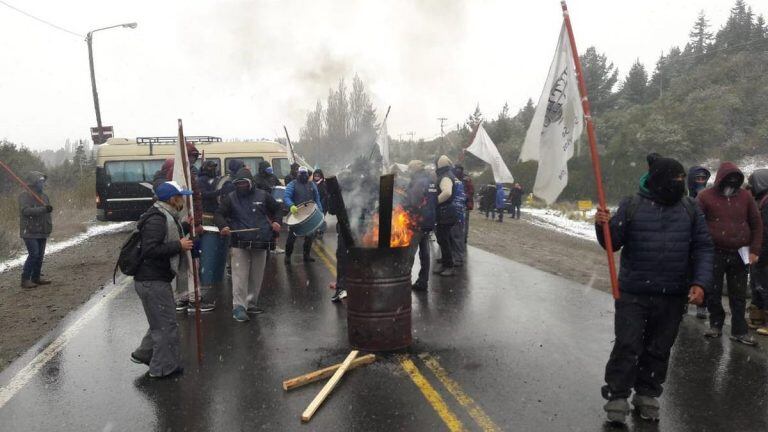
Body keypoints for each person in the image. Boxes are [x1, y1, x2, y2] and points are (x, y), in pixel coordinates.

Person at [595, 157, 713, 424]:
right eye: (676, 179)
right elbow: (612, 243)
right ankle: (617, 394)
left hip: (673, 293)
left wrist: (700, 282)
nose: (680, 184)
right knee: (627, 344)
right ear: (659, 179)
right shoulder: (632, 205)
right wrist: (603, 225)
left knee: (659, 347)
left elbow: (703, 248)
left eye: (683, 179)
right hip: (633, 292)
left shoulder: (690, 208)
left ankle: (647, 393)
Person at [131, 181, 194, 378]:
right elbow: (150, 249)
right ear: (171, 199)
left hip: (153, 279)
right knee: (166, 325)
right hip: (152, 280)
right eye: (180, 196)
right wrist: (179, 246)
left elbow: (164, 238)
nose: (183, 200)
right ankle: (162, 369)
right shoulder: (157, 219)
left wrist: (184, 226)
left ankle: (144, 353)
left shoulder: (165, 216)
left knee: (160, 321)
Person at [697, 162, 763, 346]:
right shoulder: (705, 197)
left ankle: (739, 331)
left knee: (738, 295)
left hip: (740, 253)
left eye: (736, 178)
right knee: (713, 291)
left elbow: (756, 224)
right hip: (714, 253)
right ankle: (716, 325)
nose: (732, 182)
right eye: (728, 178)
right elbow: (697, 225)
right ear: (719, 178)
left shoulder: (745, 197)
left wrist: (755, 250)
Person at [215, 170, 282, 322]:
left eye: (244, 183)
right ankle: (239, 307)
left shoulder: (263, 195)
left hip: (261, 241)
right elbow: (218, 214)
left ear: (251, 182)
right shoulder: (231, 198)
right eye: (239, 184)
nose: (242, 186)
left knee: (256, 276)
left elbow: (277, 209)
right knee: (240, 276)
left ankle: (251, 303)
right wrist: (223, 226)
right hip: (239, 242)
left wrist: (278, 221)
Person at [195, 160, 224, 312]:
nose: (214, 169)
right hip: (206, 214)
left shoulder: (212, 179)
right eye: (211, 167)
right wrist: (218, 192)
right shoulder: (201, 180)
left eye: (215, 167)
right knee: (207, 243)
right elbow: (203, 195)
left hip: (213, 212)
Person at [19, 171, 53, 288]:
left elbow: (47, 215)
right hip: (29, 231)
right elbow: (25, 211)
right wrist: (43, 209)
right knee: (34, 254)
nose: (42, 184)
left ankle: (36, 277)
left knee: (40, 256)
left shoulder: (45, 196)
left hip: (42, 231)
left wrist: (48, 227)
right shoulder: (24, 196)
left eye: (43, 181)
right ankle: (25, 279)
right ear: (34, 183)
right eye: (40, 181)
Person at [406, 160, 437, 290]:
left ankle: (404, 280)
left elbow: (413, 201)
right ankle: (423, 281)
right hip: (429, 220)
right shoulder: (431, 181)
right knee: (425, 252)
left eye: (409, 168)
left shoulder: (418, 182)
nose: (408, 171)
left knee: (410, 252)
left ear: (414, 168)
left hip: (418, 221)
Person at [284, 166, 323, 264]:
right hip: (297, 213)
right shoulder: (292, 184)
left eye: (305, 174)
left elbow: (317, 198)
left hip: (309, 213)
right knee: (292, 236)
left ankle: (306, 255)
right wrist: (291, 205)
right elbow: (286, 196)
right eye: (301, 173)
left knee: (310, 235)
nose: (303, 175)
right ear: (298, 174)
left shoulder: (312, 184)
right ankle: (287, 256)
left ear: (307, 174)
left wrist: (320, 210)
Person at [687, 166, 711, 320]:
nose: (701, 181)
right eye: (698, 178)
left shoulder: (710, 197)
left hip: (704, 239)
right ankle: (683, 303)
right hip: (687, 240)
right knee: (685, 273)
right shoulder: (684, 197)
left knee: (703, 273)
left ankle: (702, 305)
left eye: (703, 178)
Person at [748, 169, 768, 336]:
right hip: (759, 250)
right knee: (757, 285)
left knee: (764, 286)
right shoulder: (761, 200)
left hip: (763, 252)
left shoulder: (766, 203)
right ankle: (757, 318)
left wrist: (761, 253)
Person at [433, 155, 458, 277]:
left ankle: (449, 266)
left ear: (439, 165)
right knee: (445, 239)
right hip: (446, 212)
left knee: (443, 239)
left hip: (445, 212)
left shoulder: (445, 176)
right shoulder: (447, 174)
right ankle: (445, 262)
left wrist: (434, 202)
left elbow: (447, 192)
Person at [450, 167, 467, 266]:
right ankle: (454, 256)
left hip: (457, 214)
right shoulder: (459, 183)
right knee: (454, 236)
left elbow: (459, 199)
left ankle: (459, 258)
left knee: (456, 237)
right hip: (458, 213)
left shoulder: (455, 183)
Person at [454, 164, 474, 243]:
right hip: (460, 203)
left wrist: (463, 197)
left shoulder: (465, 179)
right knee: (461, 222)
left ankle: (463, 238)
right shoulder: (464, 178)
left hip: (464, 204)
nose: (458, 171)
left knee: (464, 222)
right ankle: (460, 238)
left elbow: (471, 191)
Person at [313, 169, 330, 239]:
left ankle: (320, 232)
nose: (316, 177)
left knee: (321, 219)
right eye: (315, 176)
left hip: (323, 205)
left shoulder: (324, 184)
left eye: (318, 176)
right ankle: (314, 232)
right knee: (315, 220)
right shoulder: (312, 183)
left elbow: (327, 195)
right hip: (314, 205)